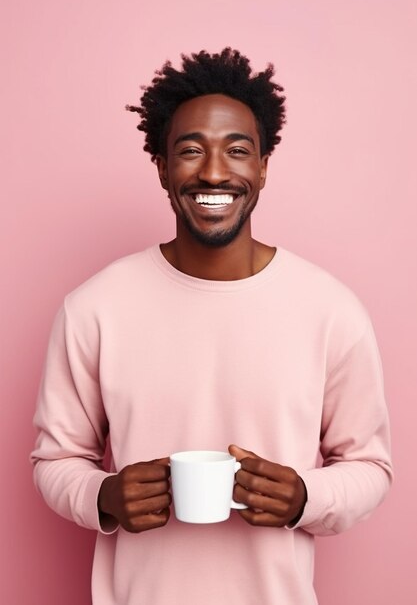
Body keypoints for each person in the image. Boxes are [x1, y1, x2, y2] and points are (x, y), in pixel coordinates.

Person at [31, 48, 392, 605]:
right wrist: (104, 495)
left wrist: (305, 497)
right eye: (191, 150)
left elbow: (369, 466)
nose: (215, 171)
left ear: (264, 166)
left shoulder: (330, 309)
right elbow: (56, 461)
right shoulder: (94, 308)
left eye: (238, 150)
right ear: (161, 167)